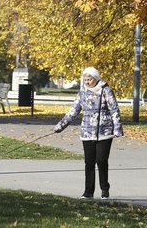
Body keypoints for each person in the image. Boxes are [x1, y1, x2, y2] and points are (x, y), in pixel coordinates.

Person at [53, 67, 124, 199]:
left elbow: (114, 109)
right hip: (87, 132)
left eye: (89, 79)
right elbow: (73, 111)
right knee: (89, 162)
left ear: (96, 79)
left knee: (101, 161)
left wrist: (117, 128)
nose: (87, 81)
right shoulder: (82, 93)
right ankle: (88, 192)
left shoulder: (105, 90)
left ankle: (105, 190)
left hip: (105, 131)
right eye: (85, 79)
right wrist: (60, 126)